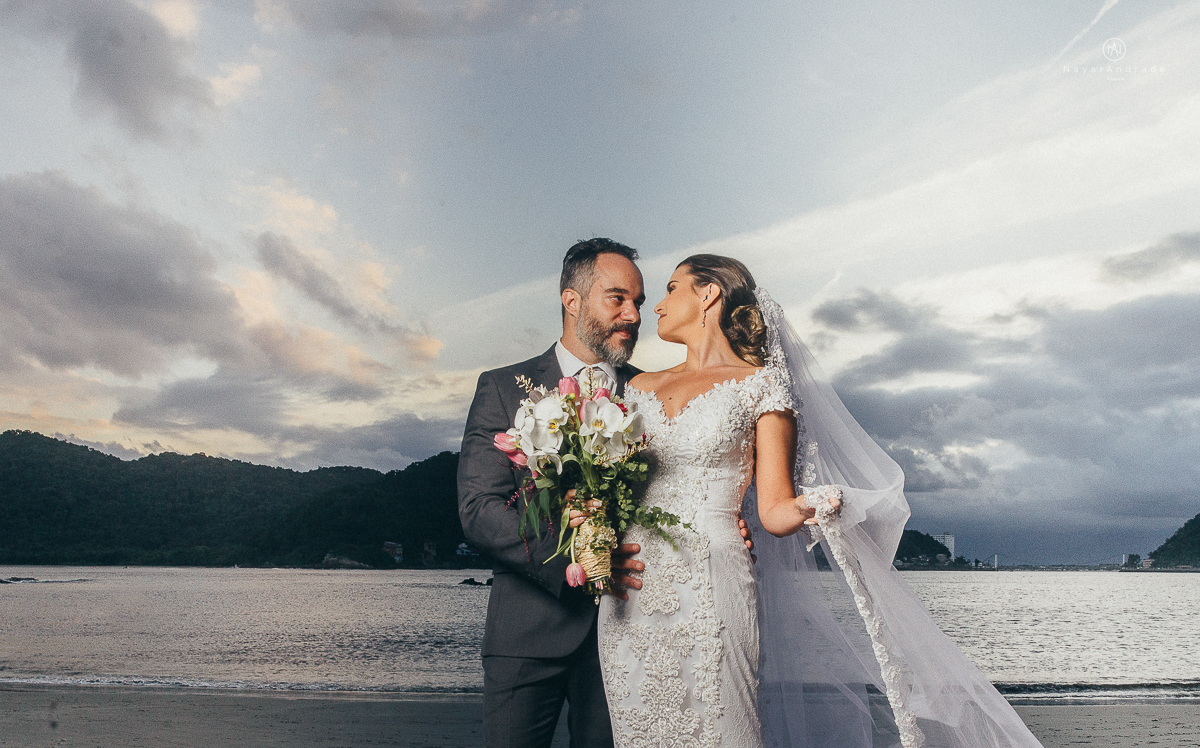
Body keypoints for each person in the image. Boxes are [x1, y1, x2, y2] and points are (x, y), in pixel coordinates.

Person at [597, 254, 1046, 748]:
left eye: (671, 288)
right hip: (629, 589)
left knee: (723, 724)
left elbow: (774, 510)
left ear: (708, 294)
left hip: (710, 582)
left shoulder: (761, 386)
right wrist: (592, 540)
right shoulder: (634, 388)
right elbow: (608, 494)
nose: (656, 306)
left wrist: (818, 503)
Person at [458, 239, 754, 748]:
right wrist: (578, 559)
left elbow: (686, 478)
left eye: (638, 302)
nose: (633, 315)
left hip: (633, 631)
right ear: (572, 301)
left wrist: (727, 523)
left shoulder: (651, 391)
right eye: (617, 299)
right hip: (527, 634)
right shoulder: (503, 388)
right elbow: (479, 510)